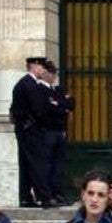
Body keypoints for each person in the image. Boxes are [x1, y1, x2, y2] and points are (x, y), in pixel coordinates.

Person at [10, 55, 62, 207]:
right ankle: (45, 197)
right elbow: (39, 109)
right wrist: (48, 116)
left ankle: (26, 197)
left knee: (26, 164)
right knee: (37, 163)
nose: (42, 70)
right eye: (41, 67)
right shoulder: (29, 84)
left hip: (26, 129)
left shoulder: (25, 83)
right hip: (31, 130)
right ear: (33, 66)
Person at [39, 59, 75, 204]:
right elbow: (49, 110)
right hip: (48, 132)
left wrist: (58, 104)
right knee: (48, 164)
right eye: (52, 73)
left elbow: (71, 105)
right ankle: (48, 195)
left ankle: (57, 193)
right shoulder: (40, 89)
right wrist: (62, 107)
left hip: (60, 132)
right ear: (45, 73)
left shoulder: (56, 90)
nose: (54, 76)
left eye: (55, 73)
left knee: (58, 165)